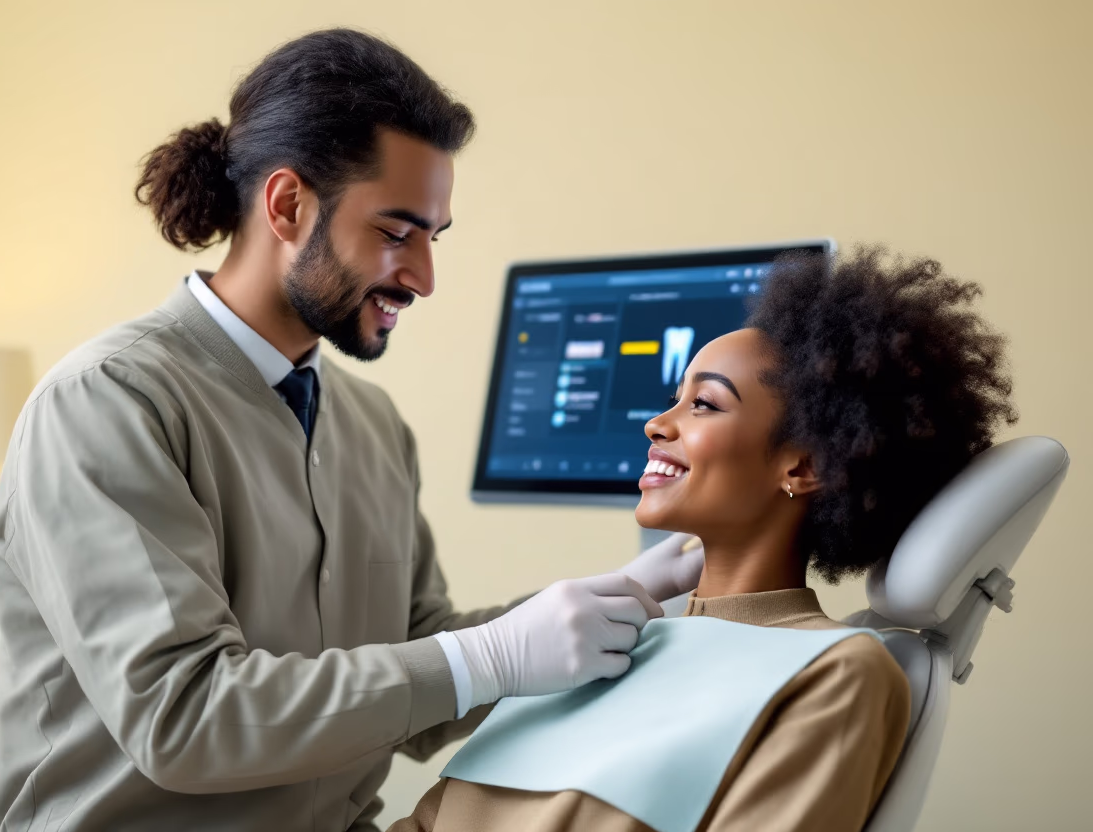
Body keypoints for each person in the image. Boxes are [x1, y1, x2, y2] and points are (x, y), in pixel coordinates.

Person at [0, 29, 697, 832]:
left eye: (433, 237)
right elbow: (182, 719)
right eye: (396, 234)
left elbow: (417, 670)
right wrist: (490, 657)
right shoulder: (108, 404)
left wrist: (625, 599)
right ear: (287, 204)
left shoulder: (373, 427)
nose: (424, 277)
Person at [392, 246, 1018, 832]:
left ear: (805, 467)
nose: (656, 423)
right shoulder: (588, 645)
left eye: (706, 406)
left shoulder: (835, 673)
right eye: (675, 397)